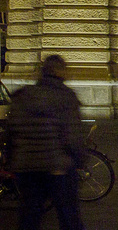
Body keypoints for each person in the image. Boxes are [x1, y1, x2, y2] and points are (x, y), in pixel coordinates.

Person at [6, 54, 87, 230]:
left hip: (27, 168)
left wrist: (11, 162)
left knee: (29, 218)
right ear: (60, 72)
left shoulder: (22, 96)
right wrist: (80, 161)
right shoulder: (66, 97)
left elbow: (12, 133)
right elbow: (73, 136)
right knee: (69, 218)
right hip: (58, 168)